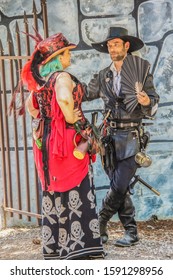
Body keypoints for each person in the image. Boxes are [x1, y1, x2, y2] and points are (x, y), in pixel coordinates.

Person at [9, 31, 104, 260]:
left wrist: (48, 117)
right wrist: (72, 117)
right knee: (77, 188)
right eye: (67, 52)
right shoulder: (62, 77)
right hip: (66, 142)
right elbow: (63, 101)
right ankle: (78, 248)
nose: (70, 55)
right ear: (59, 57)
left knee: (54, 190)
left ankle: (55, 247)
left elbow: (33, 110)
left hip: (47, 143)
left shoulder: (39, 81)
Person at [82, 27, 160, 247]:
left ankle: (100, 222)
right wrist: (63, 85)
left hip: (132, 137)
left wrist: (147, 102)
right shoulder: (103, 75)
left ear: (126, 46)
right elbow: (85, 94)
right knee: (120, 186)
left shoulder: (142, 72)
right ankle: (131, 232)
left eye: (115, 44)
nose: (111, 48)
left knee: (118, 186)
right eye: (109, 45)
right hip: (108, 138)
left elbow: (153, 101)